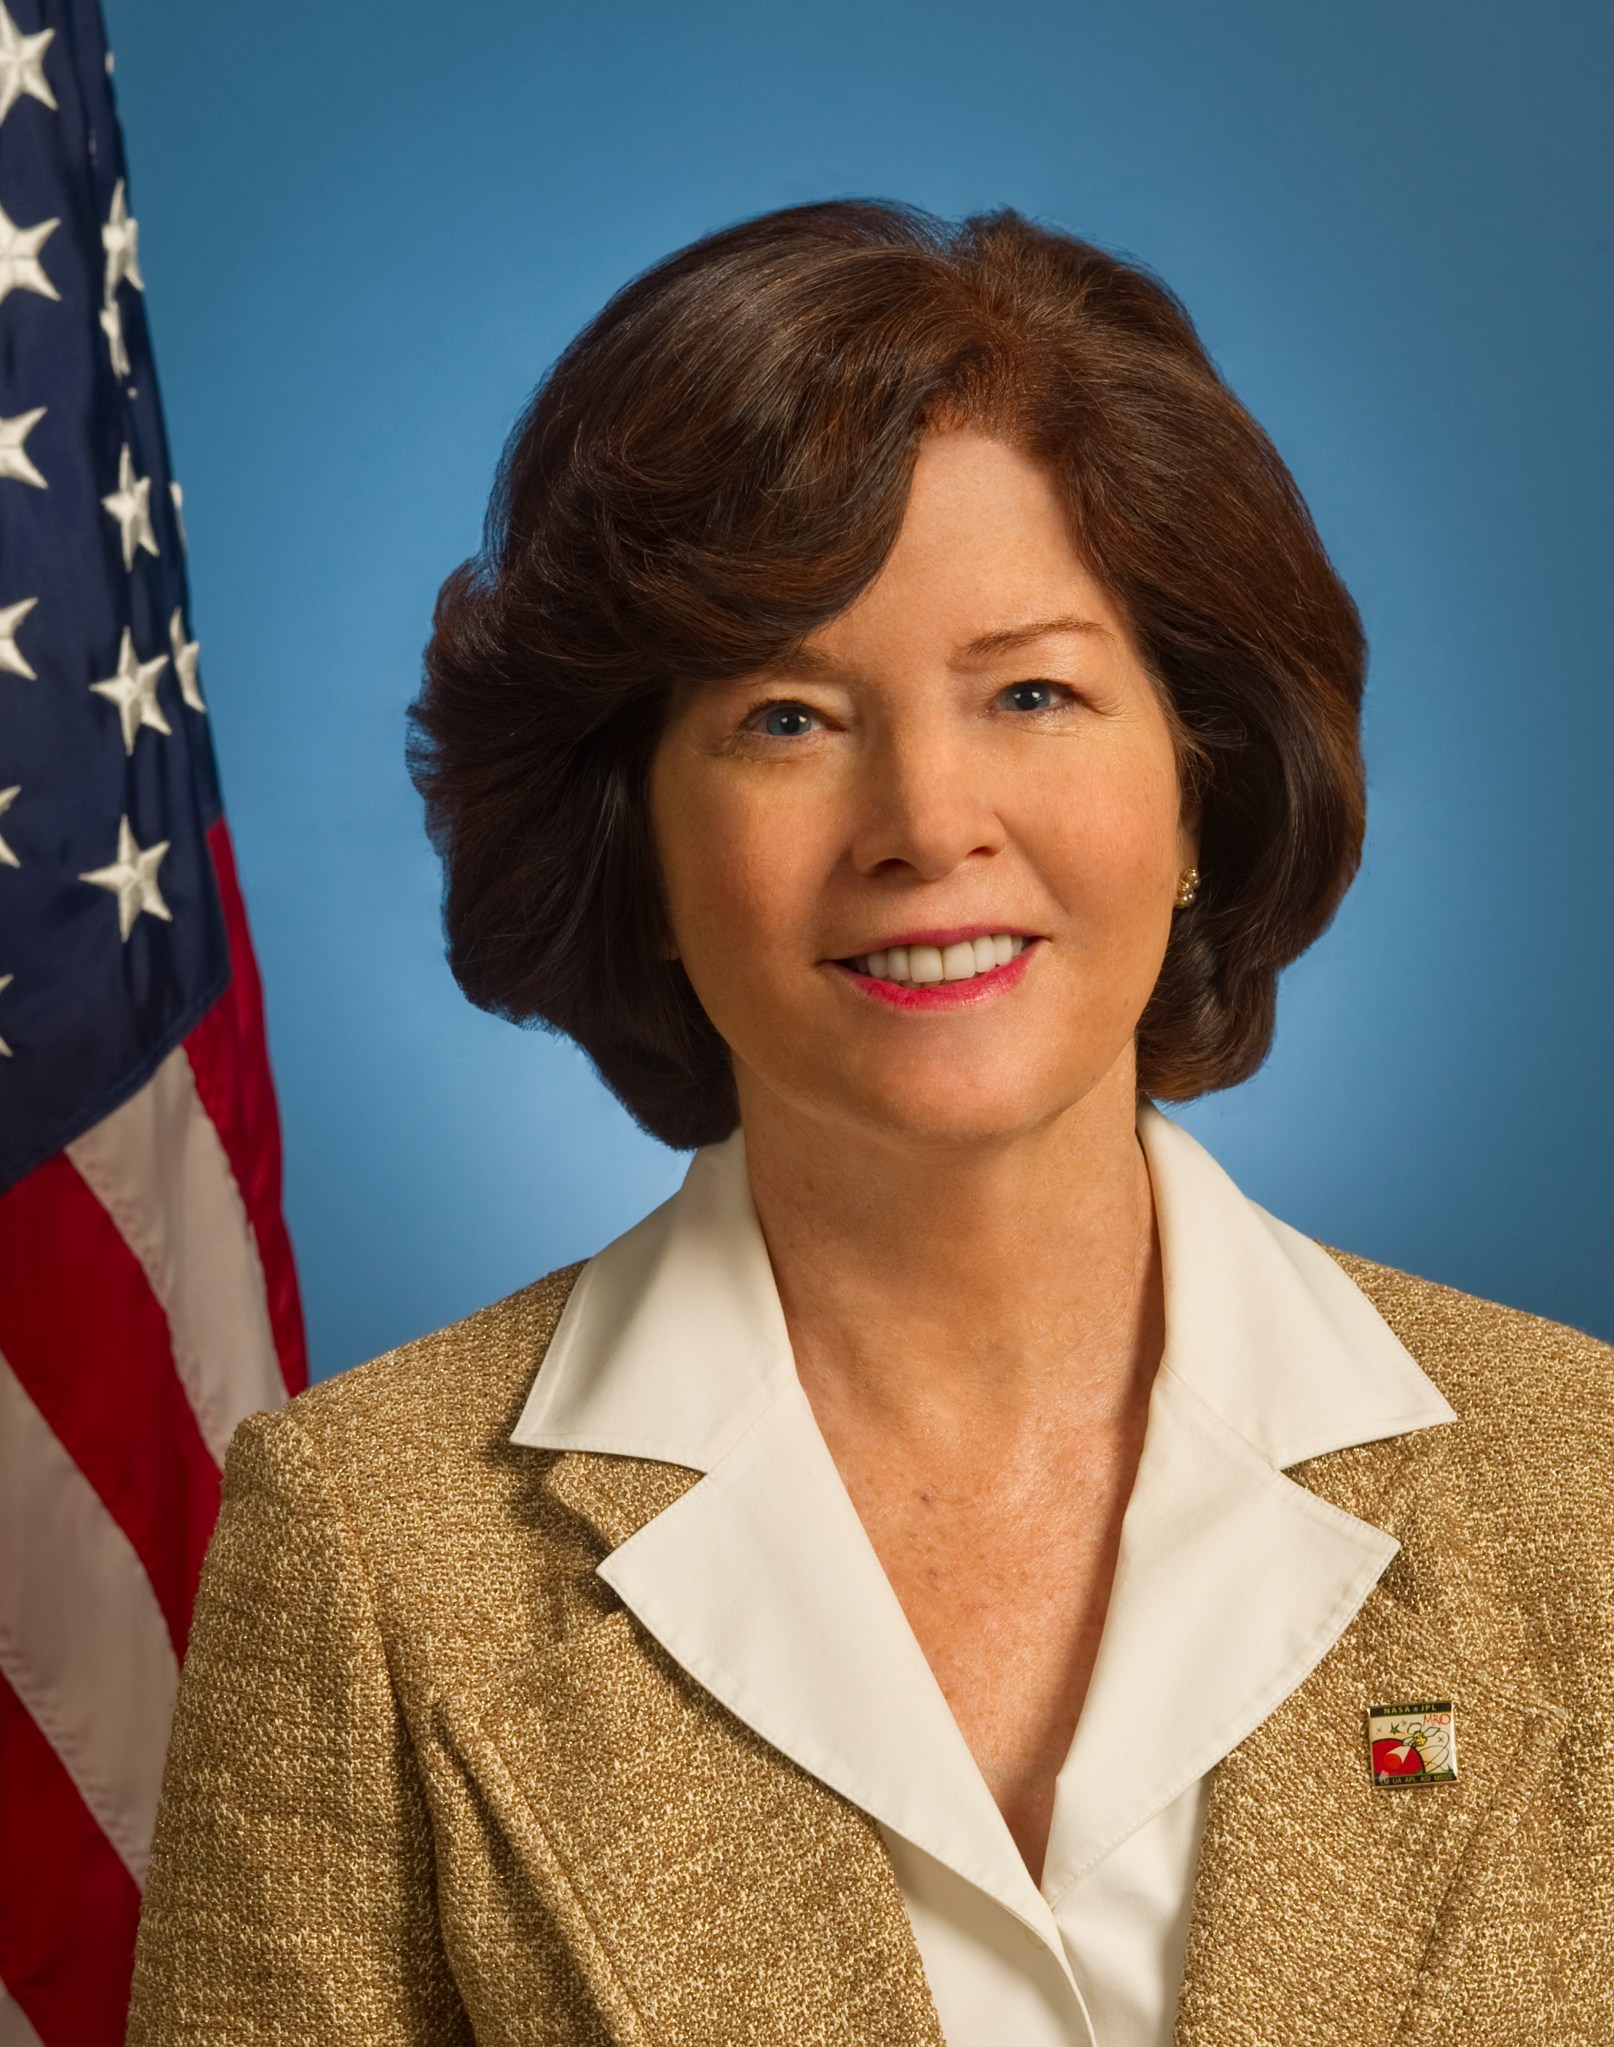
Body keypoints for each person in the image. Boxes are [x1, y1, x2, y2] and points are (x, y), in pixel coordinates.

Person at [126, 200, 1613, 2045]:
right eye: (786, 718)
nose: (926, 817)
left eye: (1033, 692)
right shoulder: (368, 1549)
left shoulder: (1580, 1489)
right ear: (638, 839)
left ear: (1203, 782)